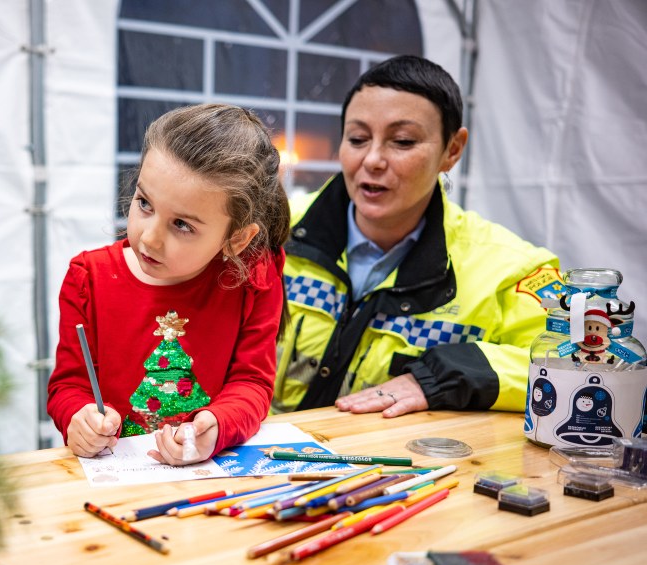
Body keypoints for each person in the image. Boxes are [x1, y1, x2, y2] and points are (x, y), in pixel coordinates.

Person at [273, 55, 561, 418]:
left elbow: (588, 365)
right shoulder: (271, 233)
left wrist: (440, 375)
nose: (373, 160)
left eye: (403, 141)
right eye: (358, 138)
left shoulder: (509, 270)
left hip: (398, 469)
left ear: (452, 150)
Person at [47, 104, 289, 465]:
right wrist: (78, 418)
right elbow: (69, 386)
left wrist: (216, 427)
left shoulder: (253, 278)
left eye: (182, 225)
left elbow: (252, 383)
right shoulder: (88, 278)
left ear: (237, 240)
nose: (149, 238)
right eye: (144, 203)